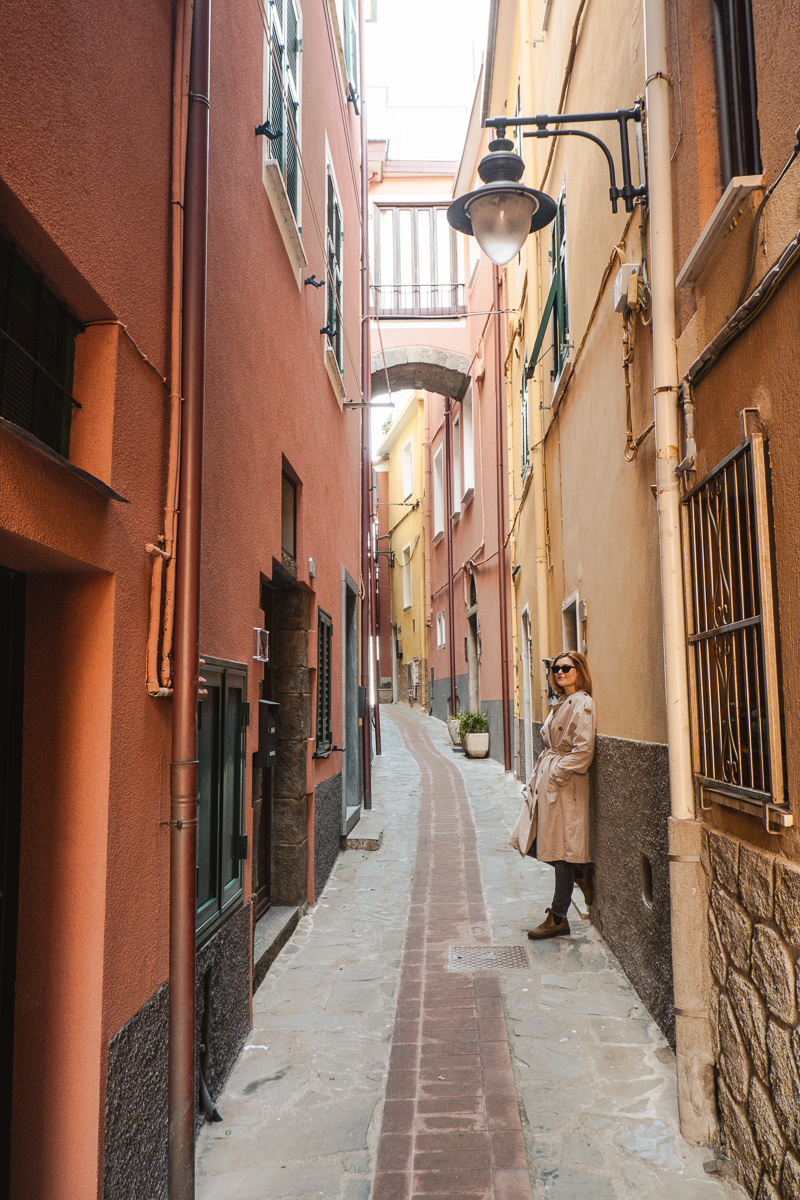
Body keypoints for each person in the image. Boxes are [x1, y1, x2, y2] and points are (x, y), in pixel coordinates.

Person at [509, 651, 596, 939]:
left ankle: (559, 917)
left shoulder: (582, 703)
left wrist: (557, 772)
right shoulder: (561, 702)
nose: (560, 672)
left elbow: (583, 752)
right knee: (533, 839)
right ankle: (579, 872)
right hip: (550, 784)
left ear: (578, 670)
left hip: (565, 786)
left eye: (566, 668)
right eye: (556, 668)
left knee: (561, 849)